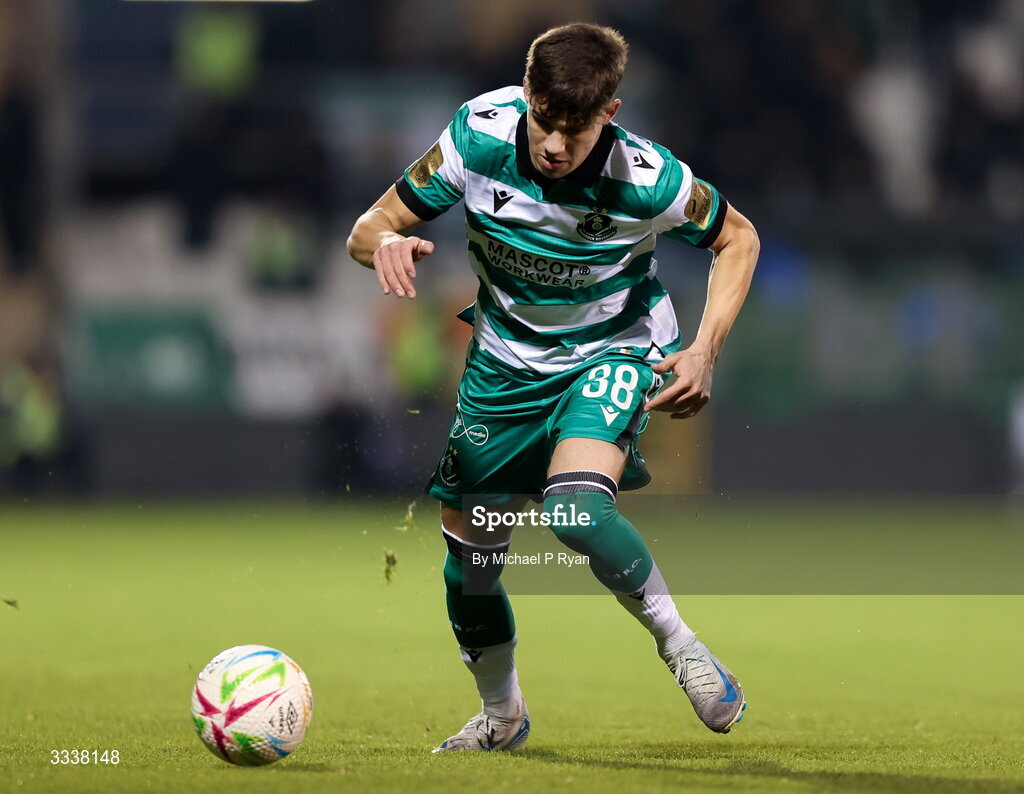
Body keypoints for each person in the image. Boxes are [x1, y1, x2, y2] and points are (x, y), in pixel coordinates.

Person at [348, 22, 759, 752]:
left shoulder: (647, 177)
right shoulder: (477, 135)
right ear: (527, 95)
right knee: (470, 568)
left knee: (574, 510)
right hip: (503, 366)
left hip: (613, 348)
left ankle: (680, 645)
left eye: (577, 129)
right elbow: (369, 223)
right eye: (545, 122)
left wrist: (704, 350)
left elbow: (739, 238)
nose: (556, 146)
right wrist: (385, 242)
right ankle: (503, 717)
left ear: (612, 113)